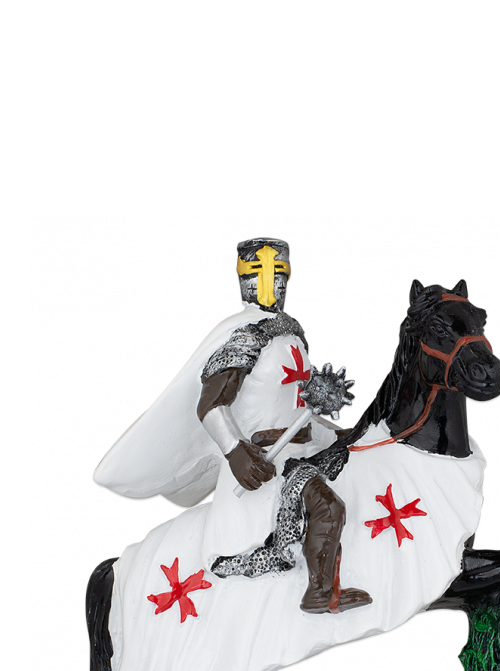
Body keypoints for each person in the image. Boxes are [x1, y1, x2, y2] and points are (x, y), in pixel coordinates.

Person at [94, 237, 370, 613]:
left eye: (278, 273)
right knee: (327, 507)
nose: (271, 283)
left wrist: (338, 434)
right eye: (260, 273)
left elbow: (297, 409)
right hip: (266, 460)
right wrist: (235, 450)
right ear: (244, 279)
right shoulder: (245, 335)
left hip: (303, 449)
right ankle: (319, 594)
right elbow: (210, 405)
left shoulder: (292, 333)